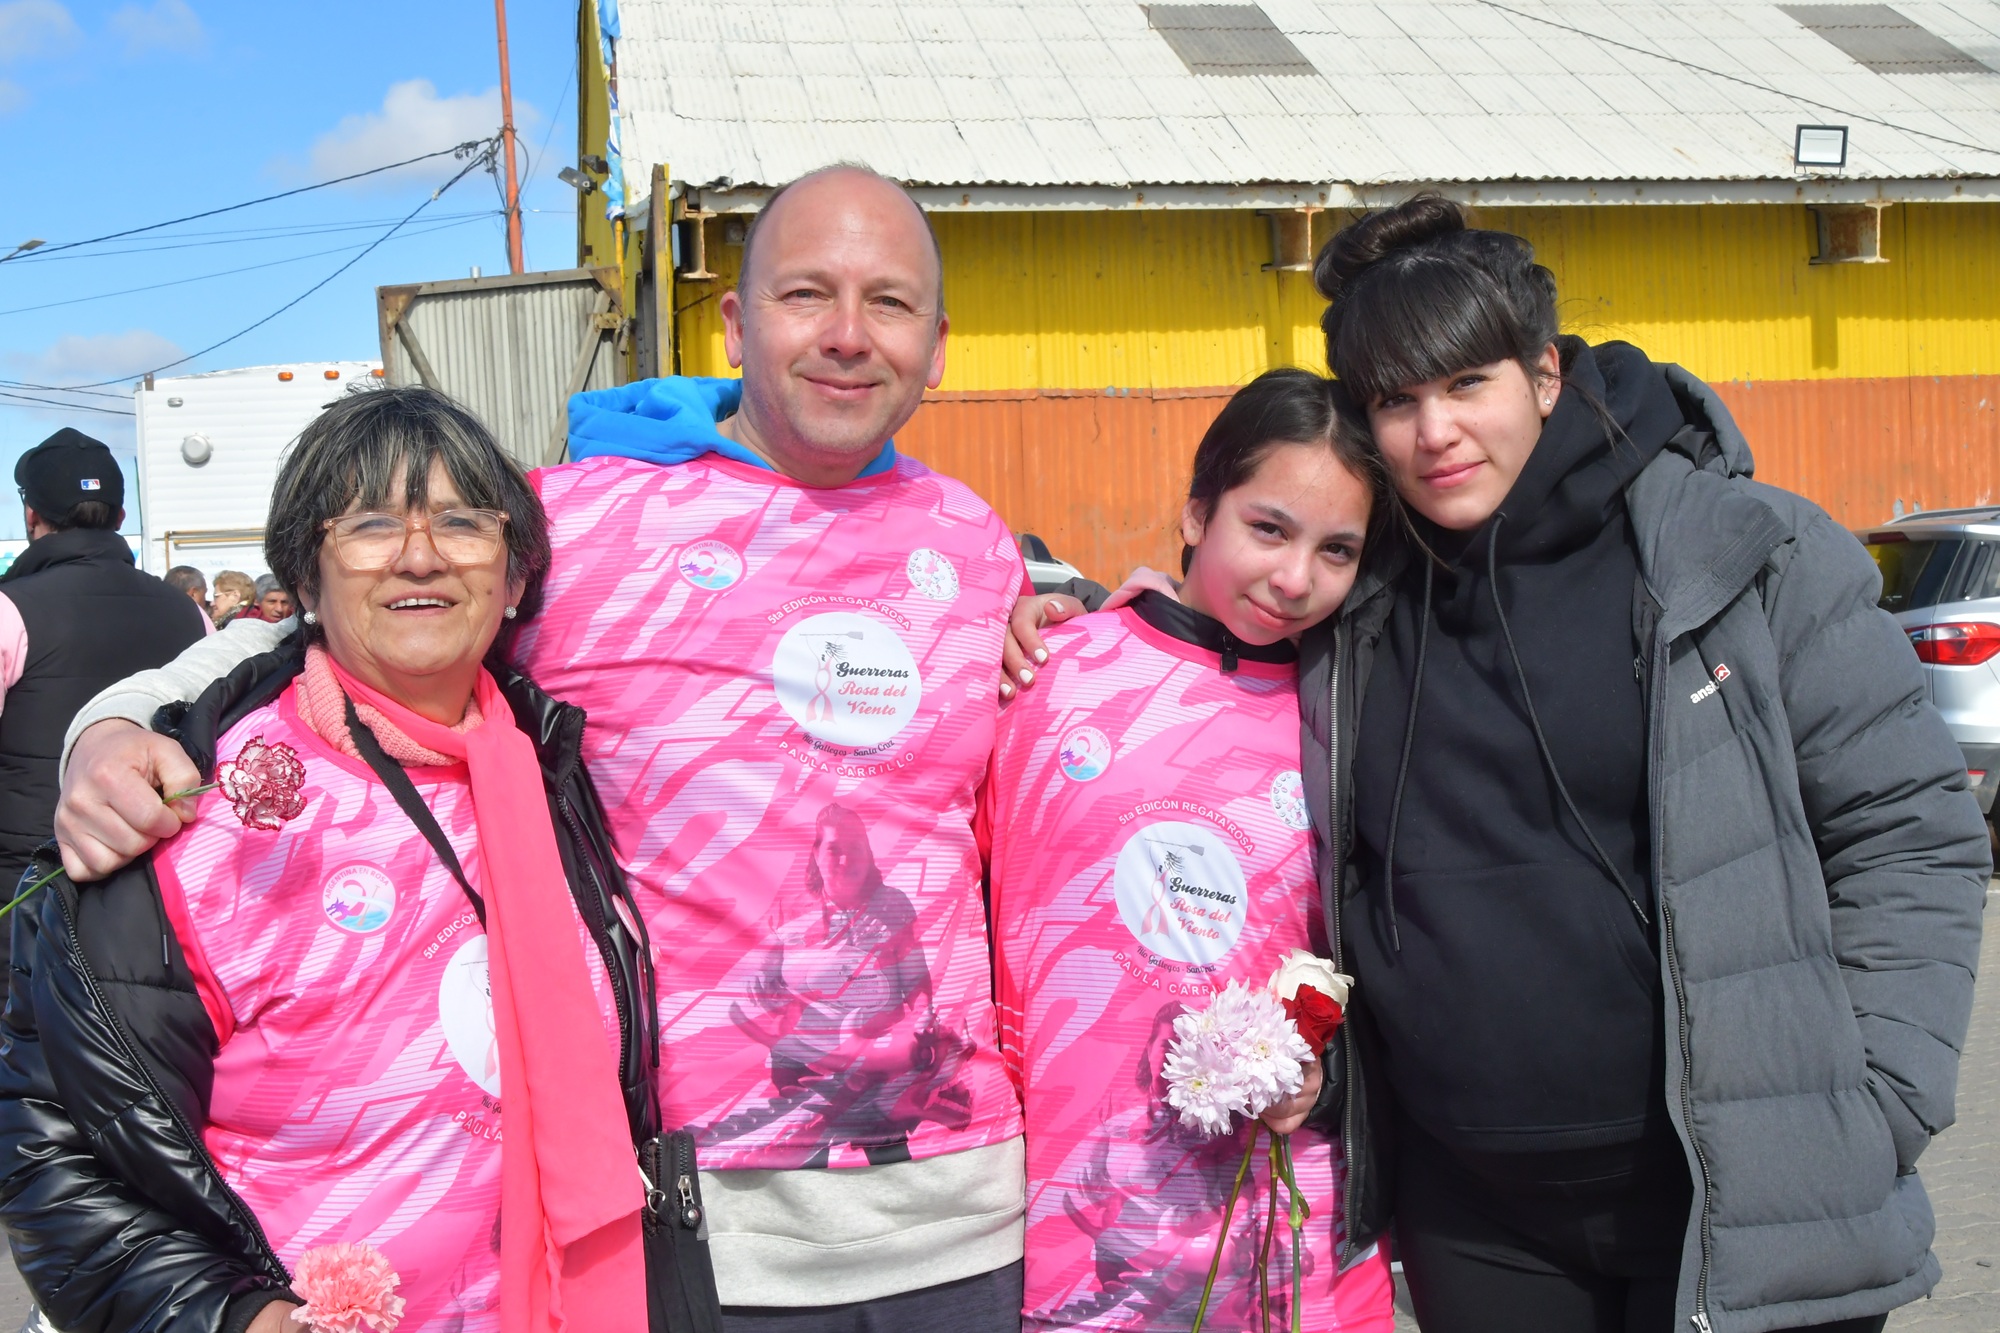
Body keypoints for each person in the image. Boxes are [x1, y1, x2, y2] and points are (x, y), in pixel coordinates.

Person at [53, 164, 1032, 1331]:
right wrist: (114, 721)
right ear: (733, 322)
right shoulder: (583, 520)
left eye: (888, 303)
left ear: (938, 342)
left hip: (963, 1211)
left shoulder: (971, 542)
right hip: (704, 1226)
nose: (845, 336)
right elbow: (355, 618)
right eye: (804, 294)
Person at [1010, 197, 1988, 1333]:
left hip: (1732, 1195)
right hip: (1475, 1218)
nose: (1434, 433)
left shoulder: (1741, 553)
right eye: (1394, 400)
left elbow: (1904, 826)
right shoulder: (1367, 588)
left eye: (1466, 383)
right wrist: (1054, 617)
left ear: (1544, 373)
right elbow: (1222, 633)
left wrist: (1879, 1103)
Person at [0, 387, 652, 1333]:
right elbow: (49, 1142)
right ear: (305, 578)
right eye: (373, 524)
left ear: (514, 578)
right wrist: (235, 1317)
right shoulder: (202, 808)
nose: (421, 554)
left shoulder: (569, 769)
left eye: (464, 522)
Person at [984, 369, 1395, 1332]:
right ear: (1198, 509)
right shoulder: (1052, 674)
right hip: (1073, 1223)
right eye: (1268, 528)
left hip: (1296, 1235)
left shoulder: (1350, 715)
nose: (1296, 578)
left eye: (1337, 550)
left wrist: (1327, 1079)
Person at [0, 429, 208, 967]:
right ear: (119, 517)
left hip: (29, 897)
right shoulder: (192, 614)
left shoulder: (9, 610)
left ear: (30, 517)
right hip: (160, 897)